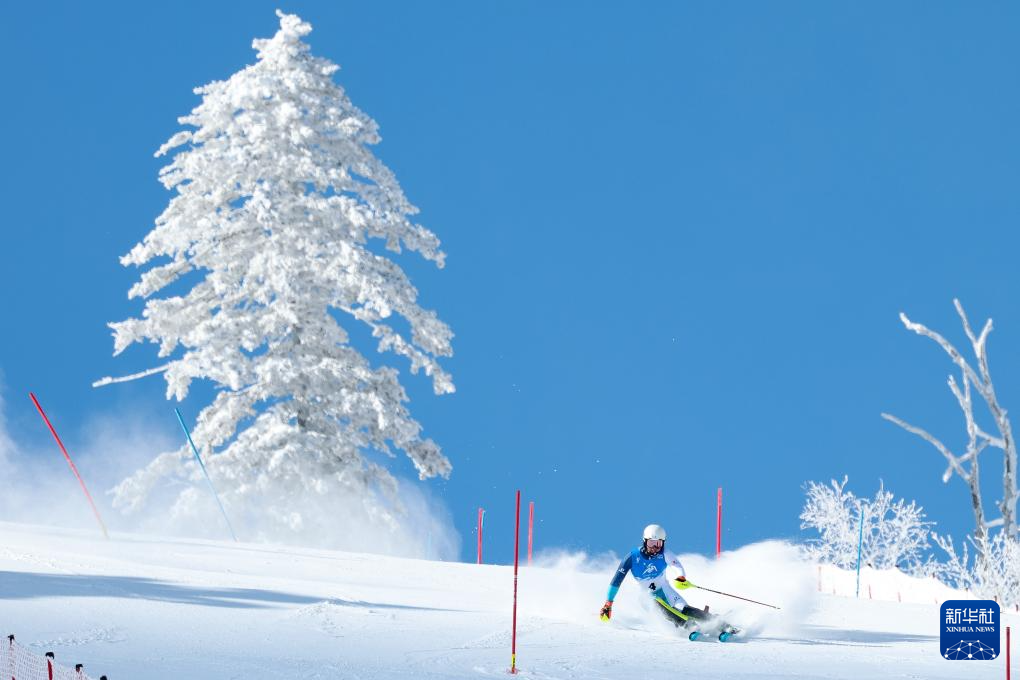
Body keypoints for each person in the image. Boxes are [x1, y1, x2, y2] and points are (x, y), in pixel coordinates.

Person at [600, 524, 736, 638]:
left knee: (685, 609)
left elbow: (676, 565)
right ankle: (687, 625)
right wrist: (608, 603)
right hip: (647, 596)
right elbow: (616, 581)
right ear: (644, 541)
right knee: (658, 604)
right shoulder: (632, 557)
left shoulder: (664, 553)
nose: (655, 547)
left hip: (665, 589)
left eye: (658, 544)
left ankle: (720, 624)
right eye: (651, 543)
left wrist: (681, 577)